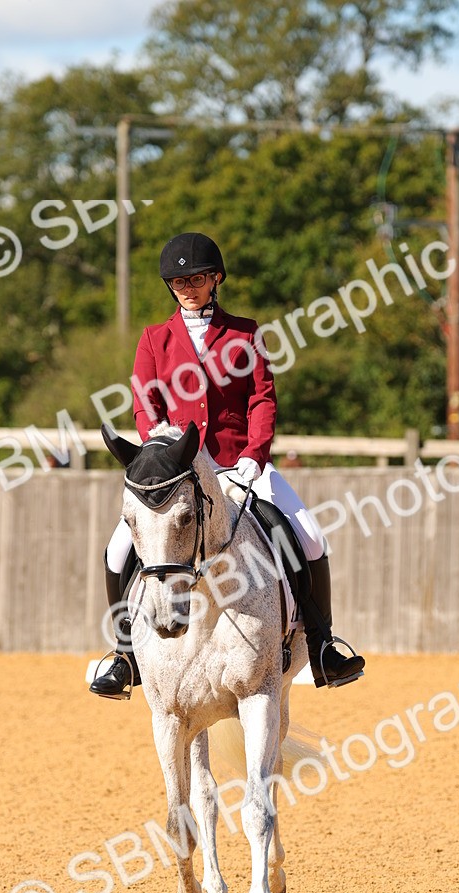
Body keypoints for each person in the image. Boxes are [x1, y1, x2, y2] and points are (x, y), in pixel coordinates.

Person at [90, 231, 365, 697]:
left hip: (241, 464)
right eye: (178, 281)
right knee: (118, 550)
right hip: (178, 470)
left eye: (196, 278)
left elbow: (262, 398)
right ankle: (124, 656)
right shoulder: (154, 339)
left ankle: (323, 646)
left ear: (216, 278)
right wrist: (161, 450)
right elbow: (145, 404)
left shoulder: (244, 332)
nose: (188, 287)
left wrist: (254, 458)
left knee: (310, 536)